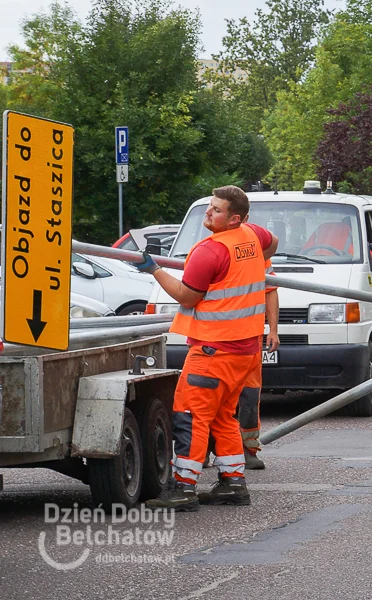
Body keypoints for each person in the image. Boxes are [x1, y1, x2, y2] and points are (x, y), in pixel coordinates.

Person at [135, 185, 277, 511]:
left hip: (214, 349)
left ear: (234, 218)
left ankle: (183, 488)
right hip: (244, 349)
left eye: (216, 210)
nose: (208, 213)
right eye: (209, 207)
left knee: (190, 415)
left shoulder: (210, 251)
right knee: (223, 417)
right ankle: (233, 483)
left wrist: (154, 270)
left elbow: (187, 296)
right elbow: (273, 243)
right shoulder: (251, 234)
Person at [238, 259, 280, 469]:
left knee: (249, 394)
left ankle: (248, 449)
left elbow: (270, 289)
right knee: (212, 397)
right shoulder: (209, 247)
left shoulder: (258, 252)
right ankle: (208, 448)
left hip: (248, 338)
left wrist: (273, 330)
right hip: (216, 338)